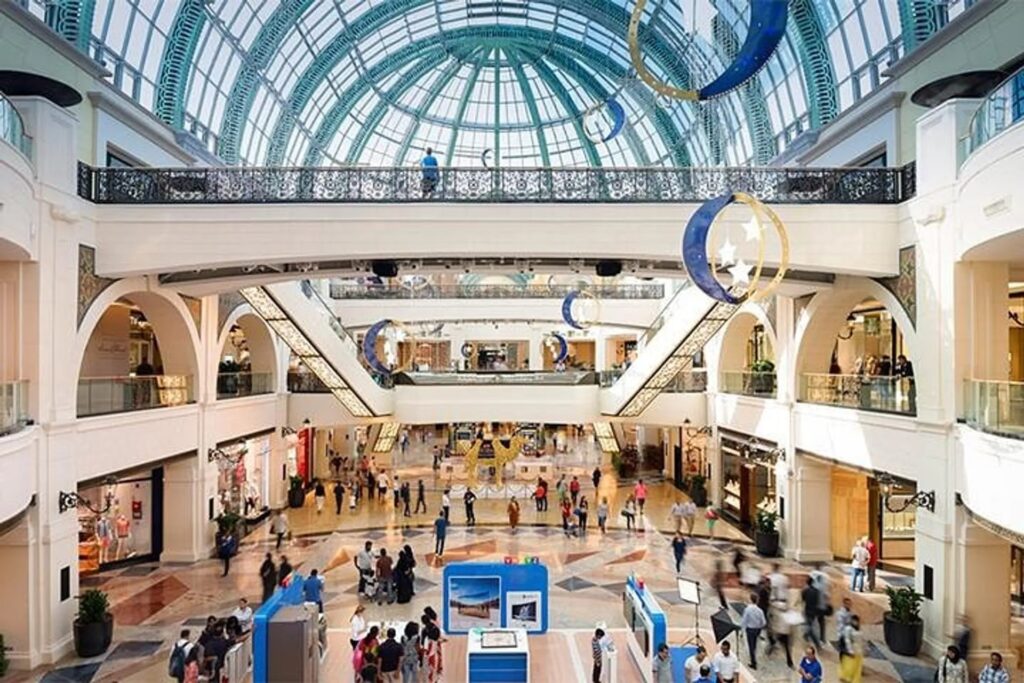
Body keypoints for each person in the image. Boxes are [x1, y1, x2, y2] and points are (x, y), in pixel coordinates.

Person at [740, 592, 766, 669]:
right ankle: (753, 657)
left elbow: (744, 621)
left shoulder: (747, 609)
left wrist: (742, 631)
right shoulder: (760, 611)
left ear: (750, 600)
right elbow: (764, 622)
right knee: (754, 644)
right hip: (757, 630)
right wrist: (759, 627)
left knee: (751, 645)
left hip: (750, 629)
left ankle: (753, 662)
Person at [838, 614, 864, 682]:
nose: (856, 622)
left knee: (857, 666)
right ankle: (847, 677)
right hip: (851, 650)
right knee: (850, 665)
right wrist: (850, 650)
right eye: (854, 621)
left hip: (858, 650)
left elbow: (861, 640)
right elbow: (847, 640)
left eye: (857, 621)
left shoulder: (858, 628)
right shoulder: (848, 629)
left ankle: (853, 679)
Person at [800, 576, 822, 648]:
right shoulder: (817, 591)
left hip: (808, 610)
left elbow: (803, 599)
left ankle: (816, 643)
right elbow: (818, 601)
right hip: (814, 610)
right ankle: (806, 635)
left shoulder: (805, 591)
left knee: (810, 626)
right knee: (810, 624)